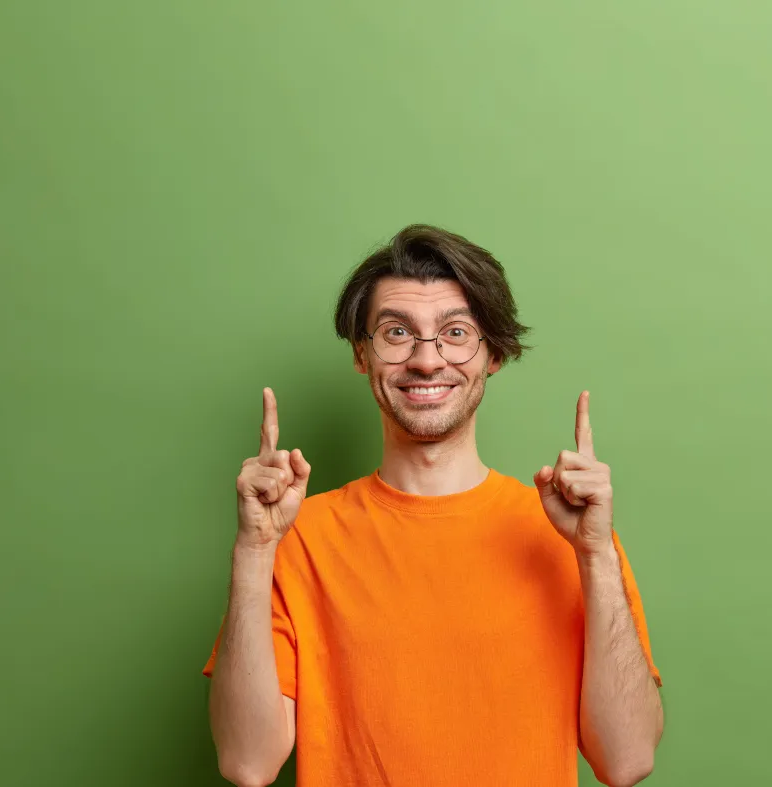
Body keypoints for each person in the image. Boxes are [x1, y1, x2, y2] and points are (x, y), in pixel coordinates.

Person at [203, 224, 664, 787]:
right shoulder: (296, 537)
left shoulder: (572, 537)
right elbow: (248, 764)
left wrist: (594, 555)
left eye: (455, 332)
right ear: (361, 354)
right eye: (397, 332)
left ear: (492, 353)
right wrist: (253, 550)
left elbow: (629, 759)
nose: (427, 360)